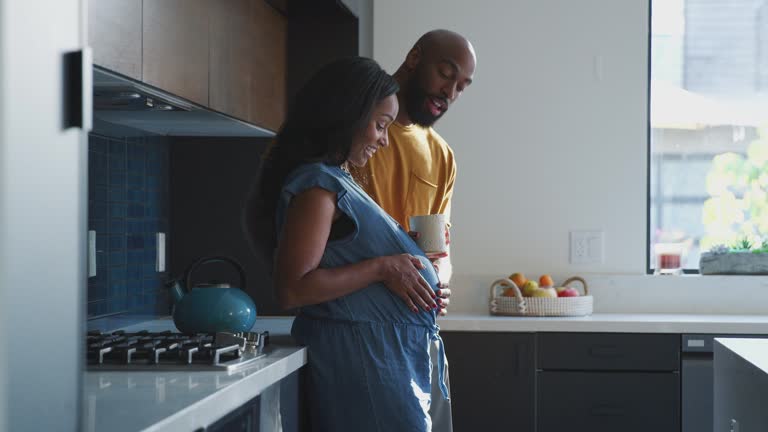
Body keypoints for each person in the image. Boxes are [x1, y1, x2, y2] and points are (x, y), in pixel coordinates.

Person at [243, 56, 448, 432]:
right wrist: (384, 267)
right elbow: (292, 288)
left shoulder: (338, 180)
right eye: (380, 125)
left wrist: (418, 282)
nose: (384, 140)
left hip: (388, 363)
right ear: (348, 114)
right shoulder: (318, 186)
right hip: (366, 367)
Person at [356, 29, 477, 432]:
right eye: (446, 73)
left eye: (462, 86)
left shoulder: (441, 155)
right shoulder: (356, 131)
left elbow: (440, 243)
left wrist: (439, 280)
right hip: (360, 329)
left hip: (418, 332)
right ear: (414, 57)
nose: (451, 93)